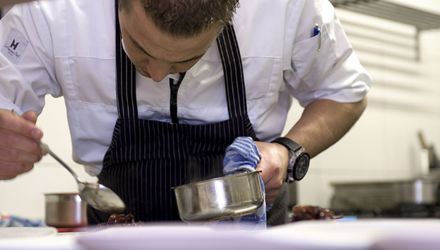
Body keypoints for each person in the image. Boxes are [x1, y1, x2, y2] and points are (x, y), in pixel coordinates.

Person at [0, 0, 371, 225]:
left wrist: (288, 151)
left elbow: (344, 92)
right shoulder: (52, 12)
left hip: (255, 236)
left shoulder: (287, 9)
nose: (158, 74)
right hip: (117, 234)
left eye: (187, 59)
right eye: (140, 48)